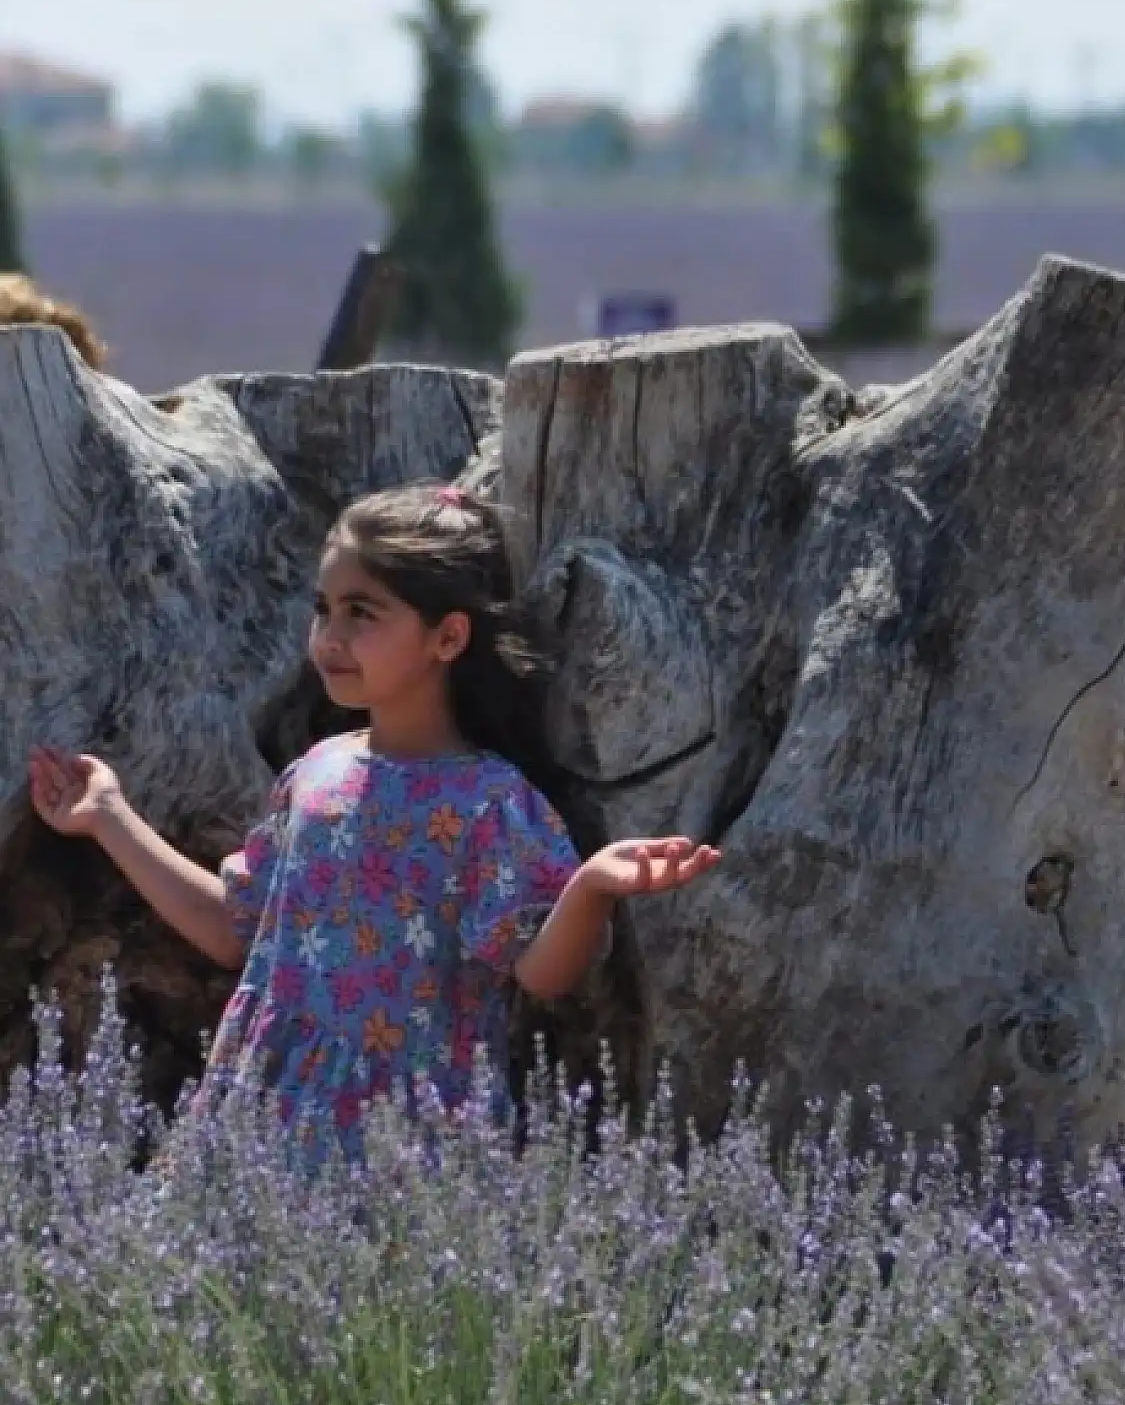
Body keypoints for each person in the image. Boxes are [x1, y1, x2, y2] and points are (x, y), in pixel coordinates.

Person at [26, 478, 721, 1170]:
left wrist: (590, 890)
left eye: (363, 612)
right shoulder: (315, 775)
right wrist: (110, 818)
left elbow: (542, 973)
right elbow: (237, 929)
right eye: (323, 609)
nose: (330, 636)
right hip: (256, 1128)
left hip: (400, 1151)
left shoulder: (487, 801)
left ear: (447, 637)